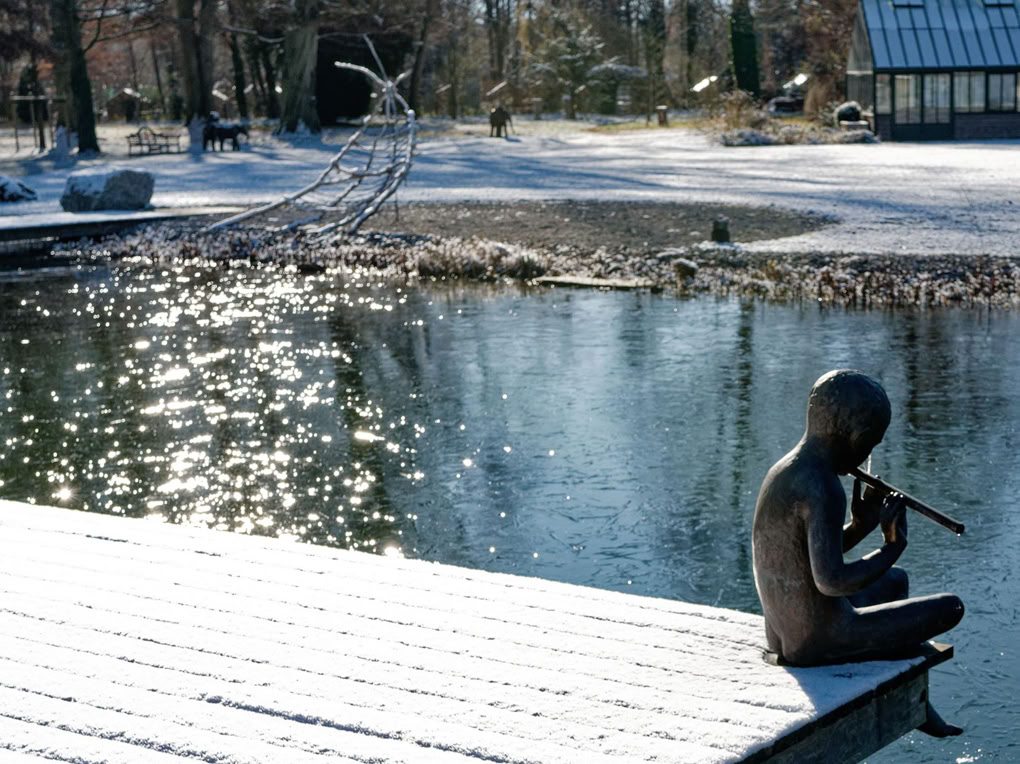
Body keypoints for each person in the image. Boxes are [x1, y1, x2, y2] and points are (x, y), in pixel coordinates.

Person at [752, 369, 964, 737]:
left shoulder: (786, 470)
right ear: (853, 437)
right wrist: (892, 545)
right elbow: (831, 581)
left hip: (783, 634)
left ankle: (911, 687)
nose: (867, 455)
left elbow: (806, 561)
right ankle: (913, 697)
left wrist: (860, 526)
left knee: (895, 582)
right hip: (817, 640)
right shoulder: (824, 487)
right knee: (951, 607)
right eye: (869, 445)